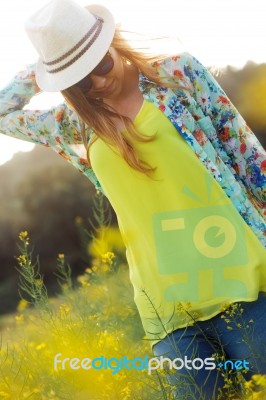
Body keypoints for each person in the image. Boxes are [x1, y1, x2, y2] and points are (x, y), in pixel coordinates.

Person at [0, 0, 265, 398]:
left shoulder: (176, 74)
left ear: (114, 41)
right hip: (167, 310)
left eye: (100, 64)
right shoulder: (73, 122)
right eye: (80, 80)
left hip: (246, 282)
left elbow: (247, 158)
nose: (98, 83)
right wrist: (43, 71)